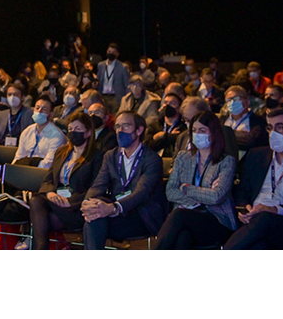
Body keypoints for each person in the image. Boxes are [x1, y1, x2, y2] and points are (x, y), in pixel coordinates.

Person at [80, 110, 168, 250]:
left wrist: (113, 208)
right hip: (116, 212)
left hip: (141, 216)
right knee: (95, 215)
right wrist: (88, 203)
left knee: (96, 219)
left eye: (125, 126)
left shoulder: (152, 159)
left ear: (139, 130)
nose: (120, 130)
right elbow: (98, 185)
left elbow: (142, 193)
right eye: (117, 126)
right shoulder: (111, 156)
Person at [154, 111, 237, 249]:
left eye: (202, 130)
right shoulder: (183, 157)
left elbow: (217, 196)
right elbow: (170, 191)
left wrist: (187, 188)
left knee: (179, 215)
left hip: (217, 220)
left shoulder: (226, 161)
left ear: (213, 133)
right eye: (194, 130)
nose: (197, 134)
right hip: (188, 219)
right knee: (183, 238)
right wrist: (202, 197)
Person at [224, 107, 283, 249]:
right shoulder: (256, 155)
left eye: (279, 127)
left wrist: (275, 209)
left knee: (264, 218)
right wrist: (244, 209)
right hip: (253, 219)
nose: (273, 133)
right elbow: (242, 191)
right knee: (258, 245)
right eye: (270, 128)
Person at [29, 112, 105, 249]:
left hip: (76, 208)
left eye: (78, 129)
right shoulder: (61, 152)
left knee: (41, 219)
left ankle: (40, 250)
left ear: (87, 133)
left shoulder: (97, 157)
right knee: (36, 202)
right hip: (56, 200)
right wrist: (50, 193)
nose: (73, 132)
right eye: (70, 129)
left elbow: (95, 188)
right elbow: (49, 178)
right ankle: (41, 249)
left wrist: (69, 202)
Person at [11, 96, 66, 169]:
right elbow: (19, 157)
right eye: (37, 108)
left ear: (51, 115)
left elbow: (49, 163)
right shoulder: (27, 131)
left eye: (44, 109)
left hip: (42, 173)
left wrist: (29, 166)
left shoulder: (57, 136)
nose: (39, 111)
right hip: (23, 171)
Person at [221, 85, 268, 160]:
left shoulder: (258, 121)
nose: (232, 102)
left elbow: (252, 141)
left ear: (247, 100)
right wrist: (240, 134)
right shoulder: (222, 120)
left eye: (236, 99)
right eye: (229, 100)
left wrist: (226, 135)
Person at [0, 84, 34, 148]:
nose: (12, 97)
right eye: (9, 95)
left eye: (15, 95)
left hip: (21, 149)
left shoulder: (30, 113)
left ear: (22, 97)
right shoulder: (1, 114)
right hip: (2, 149)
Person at [145, 92, 187, 158]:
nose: (167, 105)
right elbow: (147, 146)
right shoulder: (154, 126)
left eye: (173, 103)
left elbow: (181, 141)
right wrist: (170, 137)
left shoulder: (183, 126)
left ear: (179, 108)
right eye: (165, 102)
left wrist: (162, 136)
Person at [97, 43, 130, 116]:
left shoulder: (123, 67)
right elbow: (98, 79)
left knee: (115, 116)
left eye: (113, 52)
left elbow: (127, 84)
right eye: (109, 51)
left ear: (117, 54)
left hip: (116, 97)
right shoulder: (101, 65)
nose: (111, 53)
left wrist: (127, 99)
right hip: (103, 96)